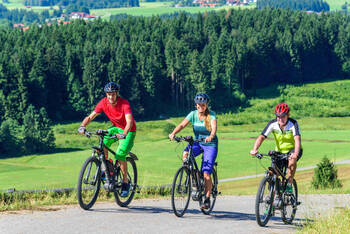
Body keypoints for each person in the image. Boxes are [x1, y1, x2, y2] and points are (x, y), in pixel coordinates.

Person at [78, 82, 136, 197]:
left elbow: (129, 122)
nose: (110, 97)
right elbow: (90, 116)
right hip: (115, 128)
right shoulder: (103, 103)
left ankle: (125, 183)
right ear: (106, 94)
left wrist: (124, 133)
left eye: (113, 94)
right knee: (101, 146)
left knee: (120, 154)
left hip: (128, 131)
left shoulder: (124, 104)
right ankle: (108, 169)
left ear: (116, 94)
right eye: (108, 94)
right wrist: (82, 126)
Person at [169, 93, 218, 210]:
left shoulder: (211, 115)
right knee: (185, 154)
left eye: (203, 104)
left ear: (206, 104)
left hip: (210, 144)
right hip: (197, 142)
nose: (201, 106)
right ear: (196, 105)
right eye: (199, 104)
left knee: (206, 173)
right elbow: (182, 124)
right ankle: (194, 177)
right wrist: (173, 133)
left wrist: (211, 135)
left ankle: (206, 198)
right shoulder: (193, 114)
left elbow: (214, 128)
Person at [250, 102, 302, 194]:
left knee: (291, 161)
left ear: (288, 115)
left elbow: (297, 140)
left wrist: (295, 154)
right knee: (275, 172)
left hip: (293, 150)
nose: (280, 119)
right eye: (278, 116)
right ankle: (273, 198)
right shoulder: (272, 124)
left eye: (283, 116)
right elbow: (261, 137)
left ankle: (289, 184)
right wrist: (255, 149)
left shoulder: (293, 124)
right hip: (280, 151)